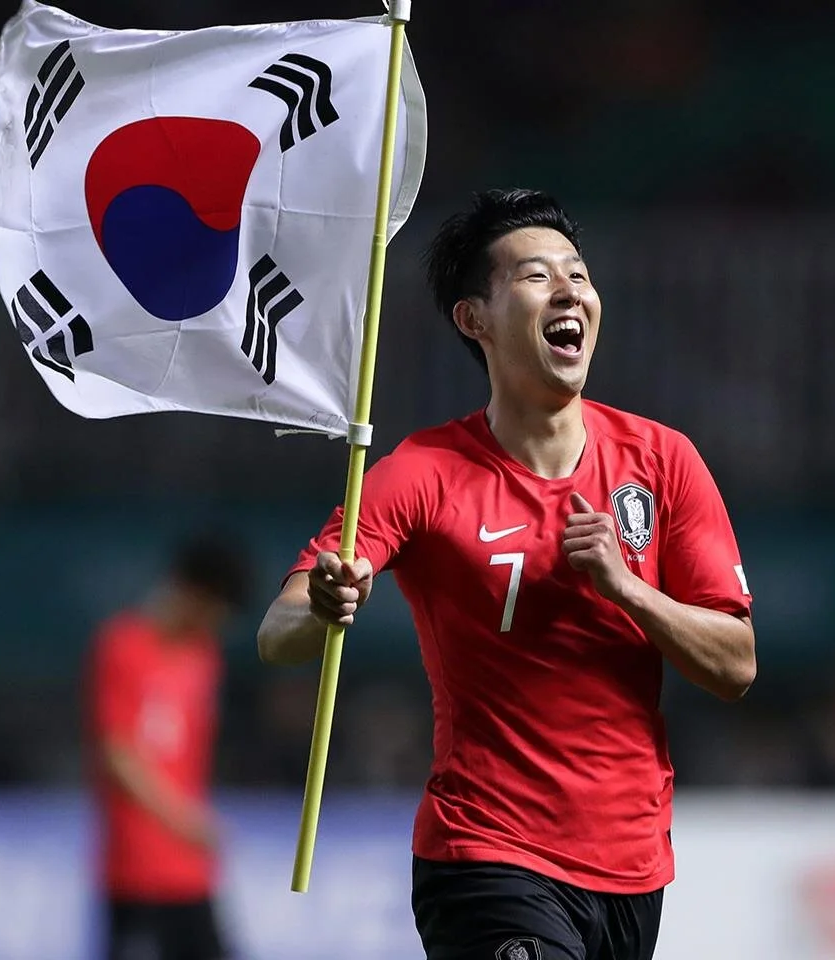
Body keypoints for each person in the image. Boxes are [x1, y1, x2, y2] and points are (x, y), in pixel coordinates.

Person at [257, 188, 757, 960]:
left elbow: (736, 666)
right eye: (536, 276)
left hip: (632, 869)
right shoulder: (423, 472)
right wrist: (324, 603)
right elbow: (277, 633)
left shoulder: (663, 461)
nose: (569, 292)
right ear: (475, 319)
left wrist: (627, 588)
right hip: (485, 853)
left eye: (578, 275)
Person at [88, 534, 249, 960]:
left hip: (192, 876)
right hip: (135, 873)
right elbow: (118, 755)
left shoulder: (205, 657)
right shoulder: (123, 646)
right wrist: (183, 820)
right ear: (193, 593)